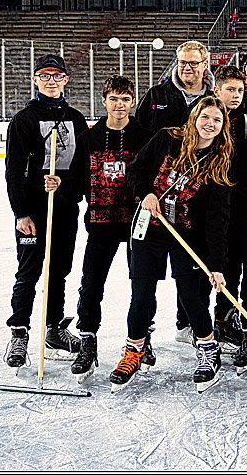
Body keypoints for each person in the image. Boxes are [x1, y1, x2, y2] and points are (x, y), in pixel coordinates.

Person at [112, 97, 234, 393]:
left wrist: (216, 265)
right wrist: (145, 194)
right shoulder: (167, 138)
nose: (210, 124)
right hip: (149, 229)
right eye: (205, 117)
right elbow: (136, 170)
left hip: (186, 236)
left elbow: (218, 219)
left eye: (217, 120)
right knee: (141, 295)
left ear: (222, 126)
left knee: (191, 296)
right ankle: (134, 351)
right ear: (194, 117)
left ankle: (208, 350)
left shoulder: (219, 162)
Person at [3, 54, 90, 372]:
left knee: (58, 272)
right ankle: (19, 333)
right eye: (44, 75)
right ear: (35, 79)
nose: (51, 80)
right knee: (28, 273)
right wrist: (21, 212)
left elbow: (84, 168)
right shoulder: (24, 120)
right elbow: (13, 170)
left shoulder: (76, 119)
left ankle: (53, 330)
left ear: (66, 80)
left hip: (65, 209)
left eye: (57, 75)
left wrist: (69, 191)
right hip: (34, 212)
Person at [66, 76, 154, 382]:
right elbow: (76, 180)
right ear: (104, 101)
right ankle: (87, 340)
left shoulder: (144, 136)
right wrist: (58, 187)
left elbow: (153, 177)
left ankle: (144, 337)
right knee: (91, 283)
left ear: (133, 102)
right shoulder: (88, 137)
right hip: (101, 222)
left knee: (142, 285)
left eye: (125, 99)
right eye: (114, 99)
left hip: (136, 223)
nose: (119, 105)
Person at [208, 65, 247, 354]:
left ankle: (240, 319)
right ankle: (220, 321)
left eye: (239, 90)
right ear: (217, 90)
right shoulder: (208, 119)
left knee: (241, 264)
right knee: (223, 266)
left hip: (242, 204)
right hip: (214, 205)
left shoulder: (246, 119)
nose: (235, 95)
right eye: (230, 89)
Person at [136, 41, 215, 134]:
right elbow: (138, 131)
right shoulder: (155, 95)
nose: (187, 68)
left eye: (193, 63)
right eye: (182, 62)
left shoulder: (214, 99)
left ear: (205, 64)